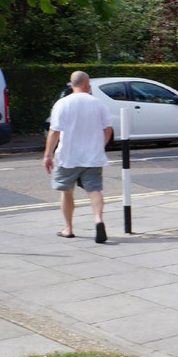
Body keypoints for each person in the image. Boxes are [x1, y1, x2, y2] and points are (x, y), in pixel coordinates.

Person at [43, 71, 112, 243]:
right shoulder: (99, 104)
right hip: (93, 156)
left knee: (67, 192)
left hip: (68, 156)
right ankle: (98, 219)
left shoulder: (62, 104)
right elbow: (108, 129)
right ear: (87, 84)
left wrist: (47, 155)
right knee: (94, 189)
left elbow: (54, 131)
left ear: (71, 84)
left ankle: (68, 228)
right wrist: (99, 146)